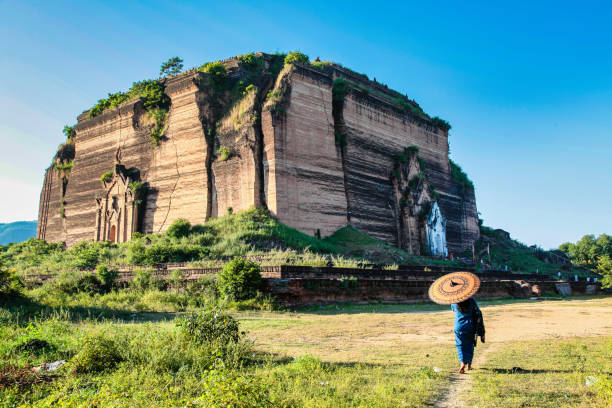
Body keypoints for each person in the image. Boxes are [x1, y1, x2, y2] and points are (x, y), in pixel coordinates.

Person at [451, 297, 482, 374]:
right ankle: (469, 364)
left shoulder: (454, 301)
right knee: (470, 343)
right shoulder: (471, 300)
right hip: (470, 325)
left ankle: (462, 362)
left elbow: (453, 309)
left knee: (460, 344)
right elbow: (477, 311)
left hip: (459, 326)